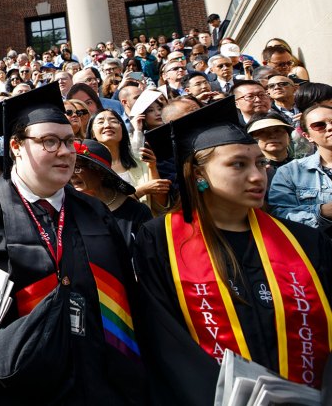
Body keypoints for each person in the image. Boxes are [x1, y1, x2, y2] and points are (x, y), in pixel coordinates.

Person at [0, 83, 144, 405]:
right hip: (15, 383)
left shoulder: (93, 210)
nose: (65, 151)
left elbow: (126, 290)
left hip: (98, 377)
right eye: (50, 141)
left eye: (70, 141)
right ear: (16, 146)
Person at [133, 98, 332, 404]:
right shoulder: (160, 241)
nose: (257, 176)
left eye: (260, 163)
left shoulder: (303, 241)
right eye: (238, 164)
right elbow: (165, 339)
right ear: (198, 174)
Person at [89, 109, 170, 215]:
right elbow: (105, 206)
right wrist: (142, 190)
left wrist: (152, 166)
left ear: (122, 128)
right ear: (92, 133)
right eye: (100, 122)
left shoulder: (141, 160)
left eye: (113, 121)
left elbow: (160, 205)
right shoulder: (89, 168)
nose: (107, 125)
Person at [70, 140, 150, 246]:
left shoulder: (137, 212)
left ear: (100, 171)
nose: (72, 174)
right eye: (68, 167)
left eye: (77, 168)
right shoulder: (69, 209)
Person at [268, 104, 332, 231]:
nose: (330, 127)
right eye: (319, 125)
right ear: (308, 136)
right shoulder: (290, 172)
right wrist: (322, 212)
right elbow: (280, 215)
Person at [245, 112, 295, 188]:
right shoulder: (249, 171)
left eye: (277, 131)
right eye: (262, 132)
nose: (272, 136)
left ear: (289, 136)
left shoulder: (302, 166)